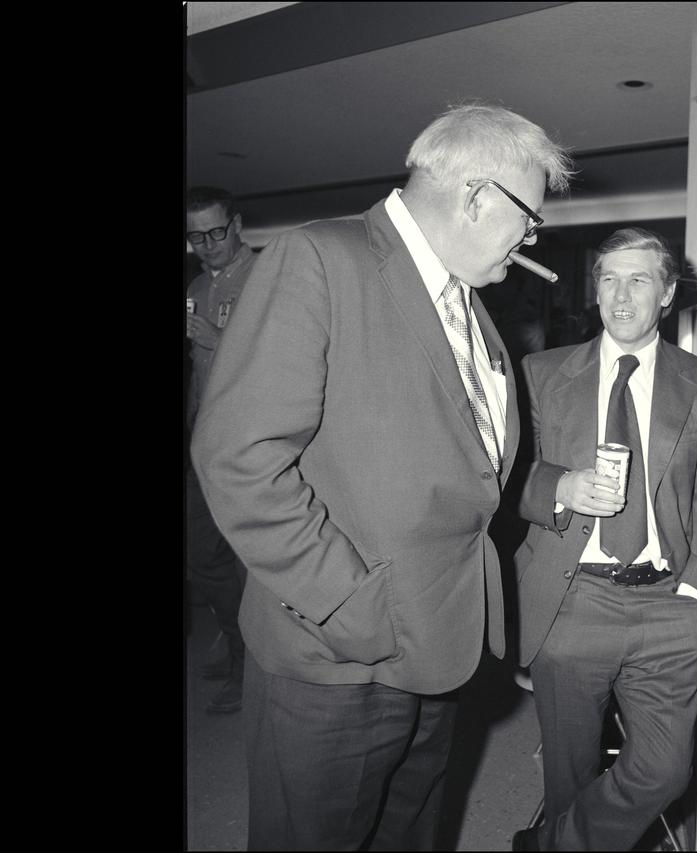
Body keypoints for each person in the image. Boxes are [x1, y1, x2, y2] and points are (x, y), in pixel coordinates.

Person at [190, 103, 573, 850]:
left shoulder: (469, 303)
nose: (532, 240)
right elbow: (239, 457)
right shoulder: (321, 259)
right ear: (476, 198)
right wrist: (350, 603)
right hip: (337, 659)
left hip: (440, 648)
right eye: (528, 221)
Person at [510, 228, 697, 852]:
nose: (621, 295)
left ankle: (553, 846)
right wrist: (560, 486)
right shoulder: (542, 373)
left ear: (667, 293)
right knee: (569, 775)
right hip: (572, 601)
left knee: (664, 770)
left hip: (669, 603)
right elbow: (497, 478)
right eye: (609, 279)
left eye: (639, 280)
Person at [184, 186, 255, 714]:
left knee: (249, 558)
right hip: (202, 437)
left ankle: (249, 661)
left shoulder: (267, 279)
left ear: (235, 225)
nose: (206, 245)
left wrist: (216, 340)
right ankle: (235, 641)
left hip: (248, 441)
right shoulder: (194, 286)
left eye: (214, 232)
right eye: (194, 236)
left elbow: (283, 361)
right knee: (202, 553)